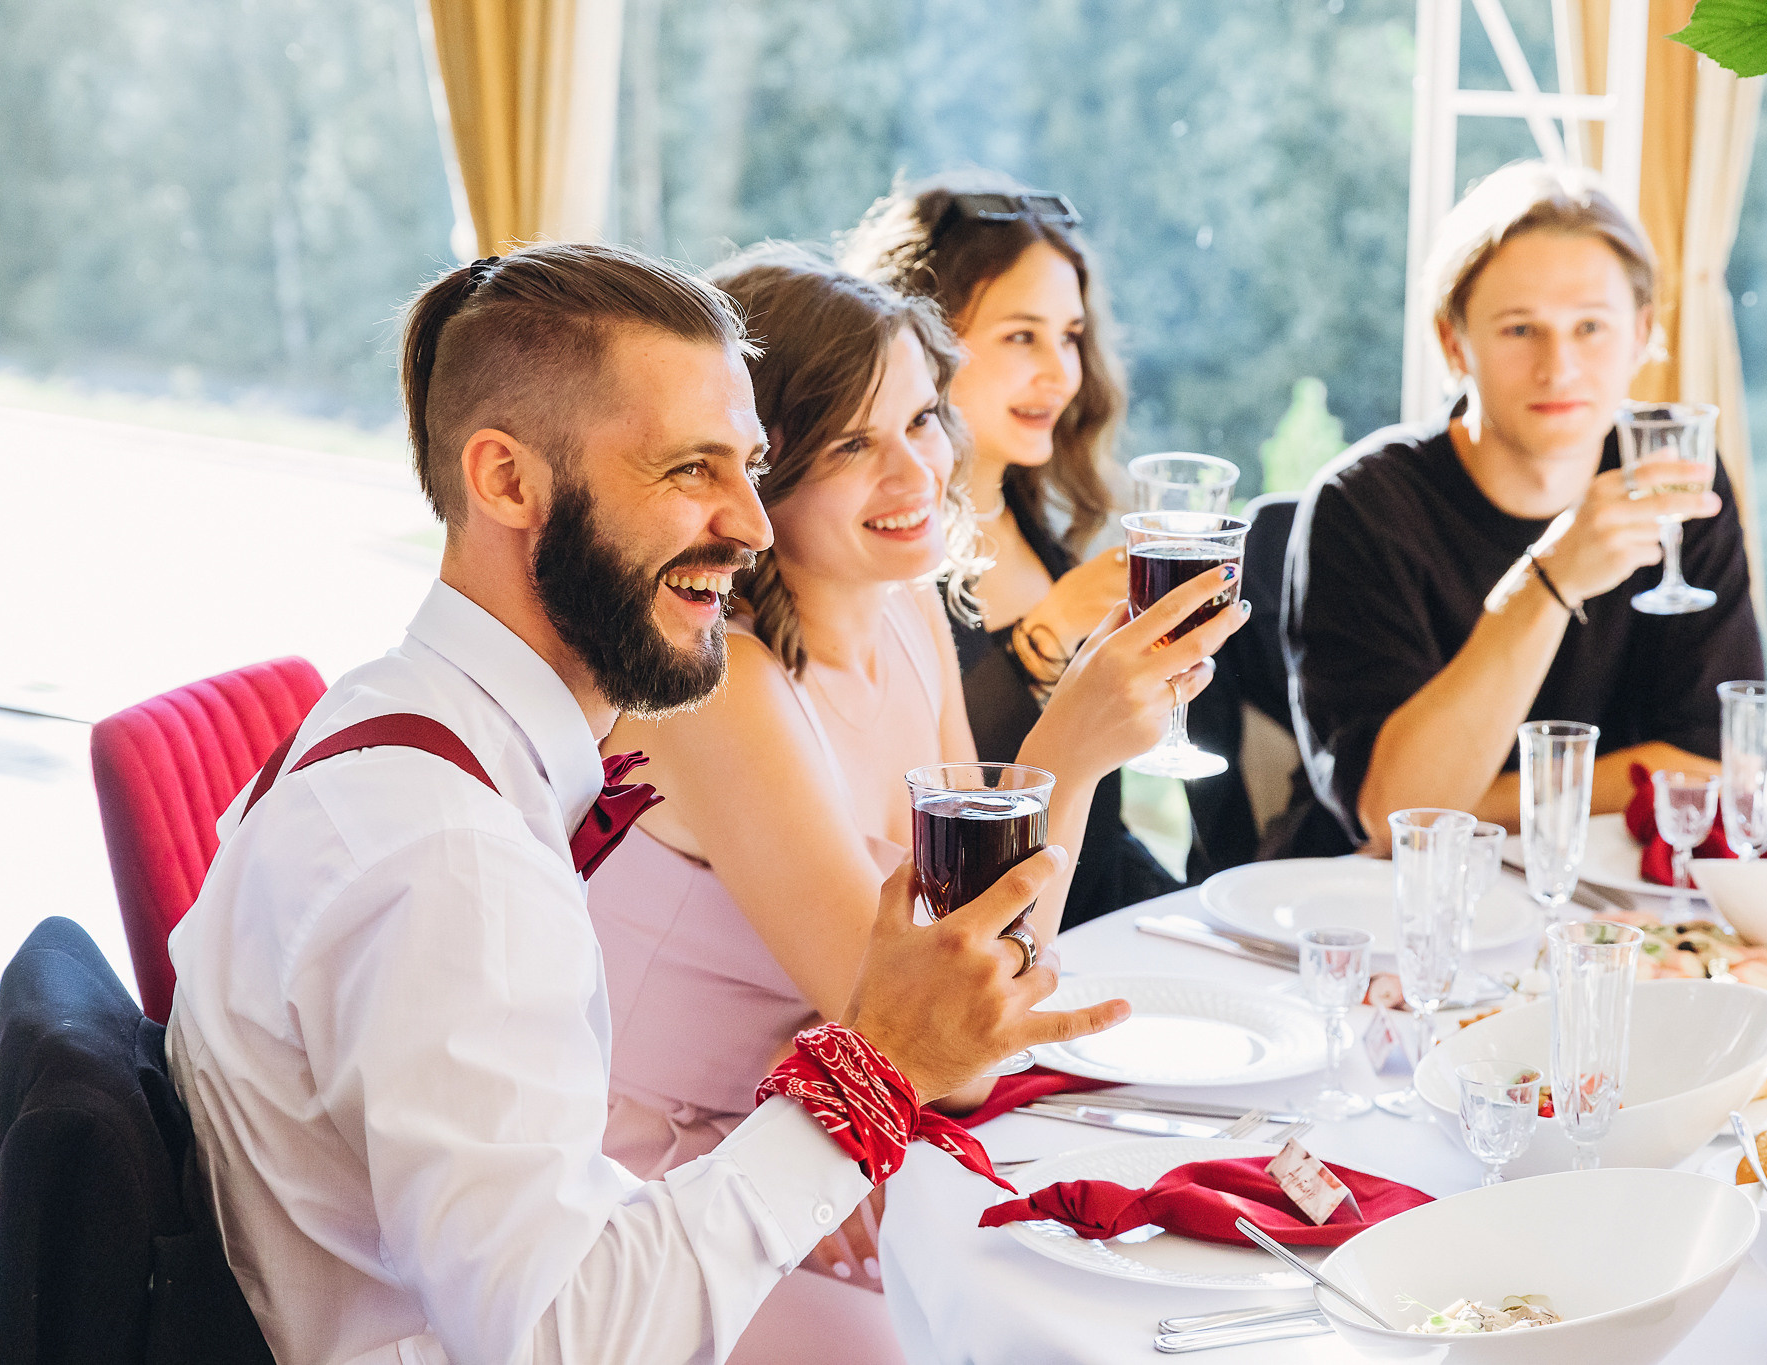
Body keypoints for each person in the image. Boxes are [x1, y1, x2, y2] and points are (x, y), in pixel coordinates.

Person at [162, 241, 1130, 1365]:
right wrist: (869, 1078)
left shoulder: (401, 720)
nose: (752, 524)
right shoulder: (449, 857)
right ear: (507, 481)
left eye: (750, 464)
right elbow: (566, 1341)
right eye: (687, 472)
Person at [585, 251, 1242, 1338]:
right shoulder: (720, 686)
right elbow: (946, 1046)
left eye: (924, 419)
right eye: (852, 443)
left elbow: (989, 978)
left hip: (839, 1127)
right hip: (680, 1187)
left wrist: (1062, 760)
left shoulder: (906, 610)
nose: (915, 473)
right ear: (756, 471)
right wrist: (1062, 756)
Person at [1283, 163, 1765, 851]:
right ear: (1455, 343)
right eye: (1518, 330)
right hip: (1382, 916)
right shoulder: (1363, 507)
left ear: (1641, 333)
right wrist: (1552, 579)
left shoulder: (1677, 484)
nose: (1559, 366)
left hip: (1603, 909)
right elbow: (1398, 814)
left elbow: (1717, 769)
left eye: (1591, 327)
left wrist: (1474, 799)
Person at [840, 173, 1181, 924]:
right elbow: (927, 812)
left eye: (1070, 337)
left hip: (1090, 930)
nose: (1062, 373)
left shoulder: (1039, 521)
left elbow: (1107, 838)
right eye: (1022, 335)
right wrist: (1050, 635)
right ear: (917, 342)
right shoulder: (877, 556)